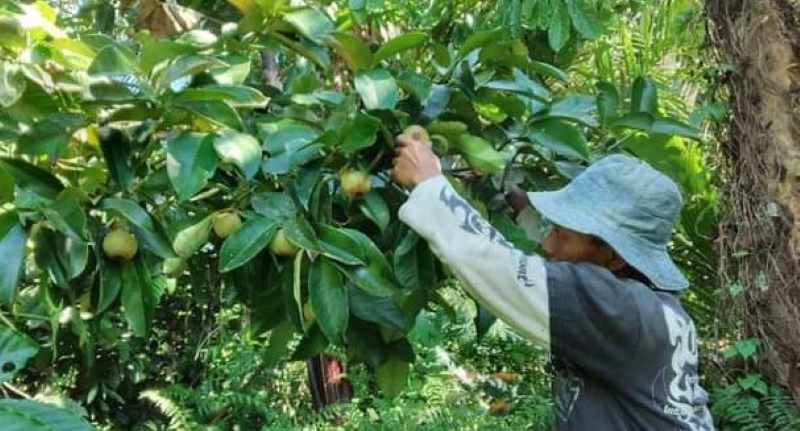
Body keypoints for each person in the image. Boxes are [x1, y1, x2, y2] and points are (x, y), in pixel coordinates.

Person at [392, 132, 715, 430]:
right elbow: (553, 256)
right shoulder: (650, 309)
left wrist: (429, 184)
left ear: (615, 257)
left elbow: (501, 269)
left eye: (561, 233)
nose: (547, 245)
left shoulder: (614, 308)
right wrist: (502, 192)